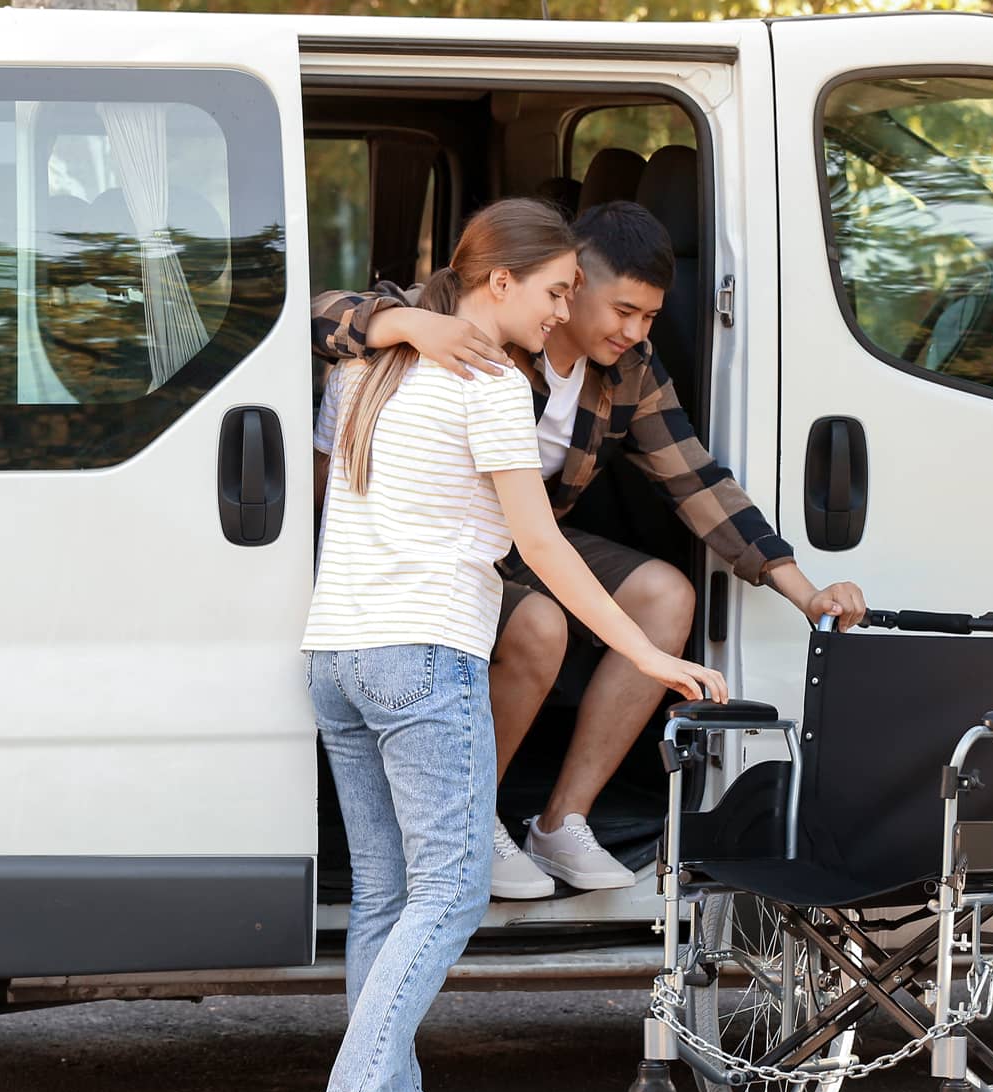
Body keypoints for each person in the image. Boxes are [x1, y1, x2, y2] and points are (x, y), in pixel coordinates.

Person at [298, 198, 727, 1092]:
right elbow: (540, 547)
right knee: (447, 890)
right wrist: (647, 654)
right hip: (422, 653)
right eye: (553, 291)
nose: (562, 311)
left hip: (338, 654)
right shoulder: (491, 382)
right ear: (497, 283)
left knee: (388, 891)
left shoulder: (369, 365)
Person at [312, 201, 867, 900]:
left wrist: (804, 591)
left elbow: (697, 481)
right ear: (570, 281)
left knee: (668, 593)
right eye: (624, 309)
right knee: (540, 626)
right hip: (454, 542)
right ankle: (473, 817)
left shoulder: (629, 369)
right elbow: (319, 314)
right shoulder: (478, 320)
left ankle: (561, 818)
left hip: (530, 534)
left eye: (651, 318)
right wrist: (405, 323)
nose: (636, 333)